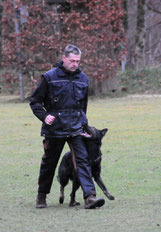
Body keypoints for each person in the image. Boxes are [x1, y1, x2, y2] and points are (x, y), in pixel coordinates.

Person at [29, 44, 105, 209]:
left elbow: (83, 107)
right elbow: (35, 101)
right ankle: (41, 196)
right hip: (55, 127)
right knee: (49, 163)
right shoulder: (49, 77)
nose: (75, 64)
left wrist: (85, 127)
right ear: (64, 58)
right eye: (72, 60)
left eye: (78, 61)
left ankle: (90, 197)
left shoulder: (83, 79)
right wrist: (44, 116)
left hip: (76, 127)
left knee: (83, 160)